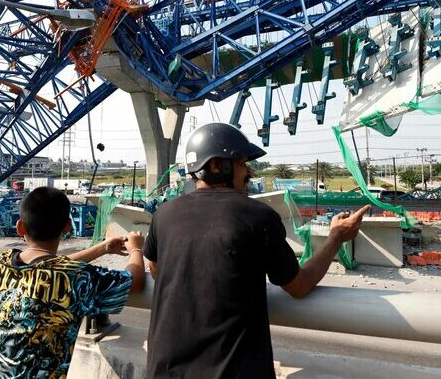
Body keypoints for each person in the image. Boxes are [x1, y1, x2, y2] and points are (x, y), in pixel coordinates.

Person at [143, 123, 368, 378]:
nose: (248, 172)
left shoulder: (164, 215)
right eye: (241, 162)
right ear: (218, 166)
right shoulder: (257, 217)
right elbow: (298, 285)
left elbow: (155, 268)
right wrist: (336, 238)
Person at [0, 186, 145, 378]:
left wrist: (103, 248)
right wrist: (136, 249)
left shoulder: (6, 261)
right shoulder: (74, 276)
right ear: (67, 226)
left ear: (20, 227)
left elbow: (49, 266)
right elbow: (133, 282)